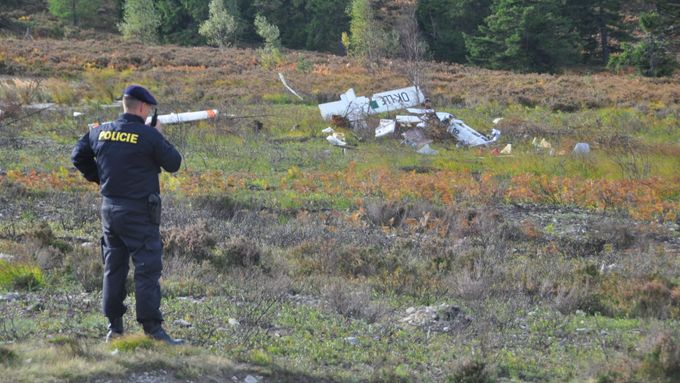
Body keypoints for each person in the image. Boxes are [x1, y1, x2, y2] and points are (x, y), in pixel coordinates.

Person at [71, 85, 183, 345]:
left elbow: (78, 156)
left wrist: (101, 179)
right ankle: (153, 330)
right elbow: (174, 163)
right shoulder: (148, 135)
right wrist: (159, 136)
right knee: (147, 268)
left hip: (110, 209)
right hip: (140, 212)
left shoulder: (99, 131)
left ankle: (114, 328)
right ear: (143, 108)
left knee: (113, 268)